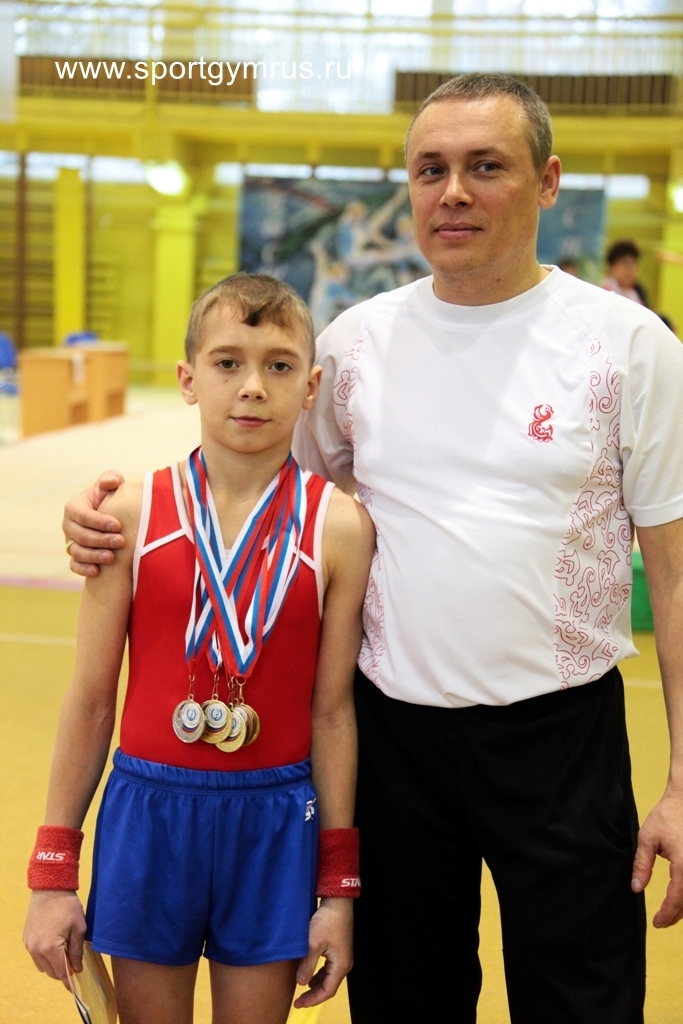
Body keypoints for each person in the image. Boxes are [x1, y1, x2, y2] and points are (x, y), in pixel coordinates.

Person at [61, 73, 683, 1024]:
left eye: (485, 167)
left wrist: (681, 781)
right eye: (429, 170)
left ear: (548, 181)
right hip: (393, 743)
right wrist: (113, 509)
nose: (453, 192)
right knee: (403, 1005)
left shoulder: (630, 347)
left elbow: (673, 580)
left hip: (560, 741)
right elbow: (251, 491)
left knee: (582, 1004)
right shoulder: (356, 345)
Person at [24, 274, 375, 1024]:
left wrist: (337, 889)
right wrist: (52, 870)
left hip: (276, 823)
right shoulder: (128, 515)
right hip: (149, 816)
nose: (252, 386)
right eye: (227, 362)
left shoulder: (340, 528)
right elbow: (90, 701)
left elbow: (333, 714)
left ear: (311, 387)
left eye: (278, 365)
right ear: (187, 380)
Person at [602, 238, 649, 306]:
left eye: (632, 264)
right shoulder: (603, 292)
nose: (629, 269)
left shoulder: (639, 291)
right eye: (625, 263)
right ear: (611, 267)